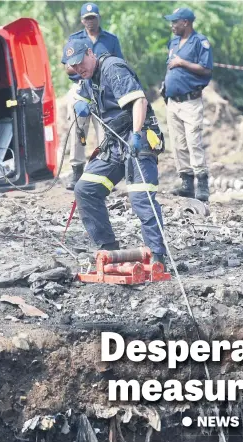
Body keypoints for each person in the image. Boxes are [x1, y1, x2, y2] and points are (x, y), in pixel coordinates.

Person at [67, 40, 167, 265]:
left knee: (141, 197)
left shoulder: (113, 68)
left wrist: (136, 133)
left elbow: (139, 101)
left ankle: (157, 257)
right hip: (114, 145)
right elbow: (81, 97)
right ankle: (109, 250)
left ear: (90, 53)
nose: (78, 69)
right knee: (86, 189)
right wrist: (79, 105)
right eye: (73, 67)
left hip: (137, 138)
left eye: (80, 62)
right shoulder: (88, 77)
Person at [61, 2, 123, 190]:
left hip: (104, 88)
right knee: (78, 127)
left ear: (98, 18)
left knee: (105, 127)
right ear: (82, 20)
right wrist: (84, 70)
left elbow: (119, 63)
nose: (90, 21)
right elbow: (67, 67)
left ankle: (106, 170)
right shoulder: (75, 39)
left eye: (93, 18)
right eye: (87, 18)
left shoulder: (110, 40)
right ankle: (77, 171)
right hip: (81, 85)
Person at [162, 7, 213, 201]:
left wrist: (183, 63)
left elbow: (206, 69)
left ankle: (202, 183)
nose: (172, 25)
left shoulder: (200, 42)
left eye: (175, 22)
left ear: (186, 22)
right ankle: (186, 182)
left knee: (193, 142)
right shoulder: (174, 42)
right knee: (178, 143)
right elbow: (170, 66)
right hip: (172, 101)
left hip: (190, 101)